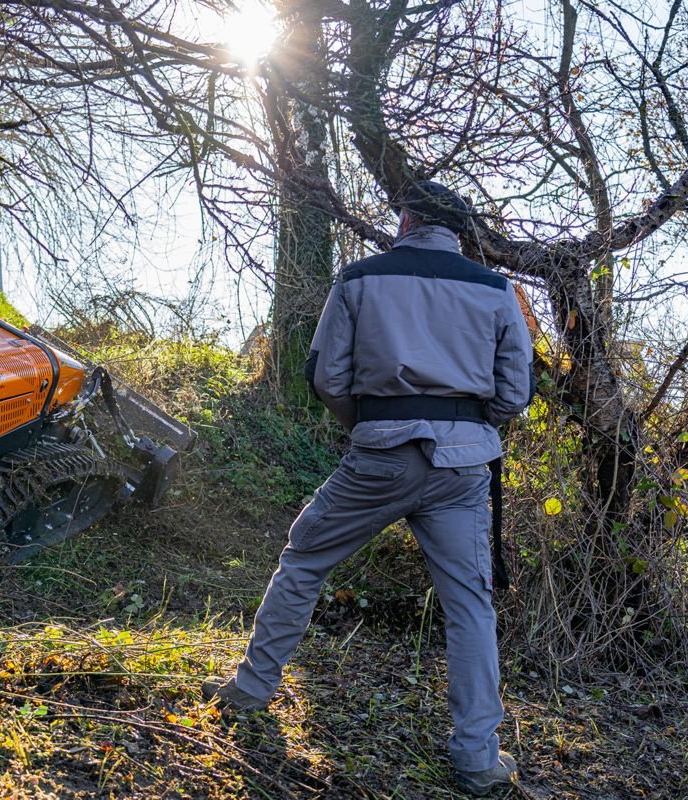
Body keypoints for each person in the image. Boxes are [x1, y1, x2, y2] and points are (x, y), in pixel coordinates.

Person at [204, 181, 534, 797]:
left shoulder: (358, 279)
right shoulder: (495, 290)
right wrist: (463, 431)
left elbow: (328, 375)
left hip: (379, 456)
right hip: (463, 471)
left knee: (304, 560)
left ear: (406, 219)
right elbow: (514, 392)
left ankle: (250, 690)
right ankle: (477, 759)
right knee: (470, 607)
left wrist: (372, 426)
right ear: (459, 231)